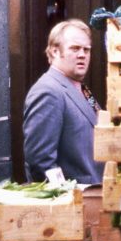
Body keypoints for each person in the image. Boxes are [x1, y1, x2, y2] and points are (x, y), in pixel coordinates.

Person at [22, 19, 104, 184]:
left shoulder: (81, 89)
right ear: (54, 52)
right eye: (74, 48)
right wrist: (66, 196)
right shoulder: (48, 91)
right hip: (76, 201)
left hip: (96, 195)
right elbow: (40, 162)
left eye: (86, 50)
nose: (82, 54)